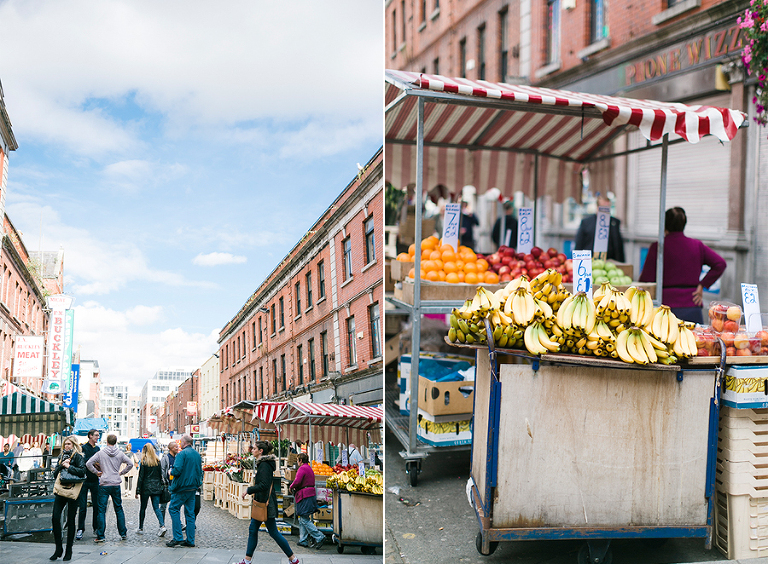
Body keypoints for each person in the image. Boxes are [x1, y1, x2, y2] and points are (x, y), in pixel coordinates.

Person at [639, 207, 726, 324]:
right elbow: (720, 264)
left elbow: (645, 280)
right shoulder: (697, 245)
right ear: (684, 224)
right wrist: (702, 285)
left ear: (664, 224)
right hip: (692, 306)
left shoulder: (658, 247)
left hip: (664, 308)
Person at [237, 441, 300, 564]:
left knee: (270, 531)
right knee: (256, 530)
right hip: (263, 502)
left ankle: (293, 558)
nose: (252, 450)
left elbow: (264, 485)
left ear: (261, 451)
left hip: (265, 503)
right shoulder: (264, 464)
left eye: (254, 448)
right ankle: (292, 559)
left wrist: (249, 490)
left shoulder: (265, 465)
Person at [86, 433, 133, 542]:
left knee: (101, 510)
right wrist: (121, 472)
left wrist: (97, 472)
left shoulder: (101, 453)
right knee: (119, 509)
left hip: (104, 483)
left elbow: (89, 463)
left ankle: (101, 535)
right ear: (115, 442)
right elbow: (130, 463)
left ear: (107, 441)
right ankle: (123, 533)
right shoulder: (120, 453)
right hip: (115, 483)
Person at [50, 437, 86, 561]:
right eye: (65, 444)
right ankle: (58, 548)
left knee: (70, 520)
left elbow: (82, 472)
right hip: (61, 491)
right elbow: (55, 474)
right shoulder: (61, 456)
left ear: (74, 445)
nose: (67, 446)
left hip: (72, 492)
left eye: (69, 444)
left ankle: (69, 550)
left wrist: (69, 466)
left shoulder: (78, 457)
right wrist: (62, 465)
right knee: (55, 518)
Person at [166, 434, 202, 548]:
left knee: (173, 509)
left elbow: (177, 470)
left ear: (185, 443)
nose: (180, 444)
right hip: (193, 487)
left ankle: (178, 538)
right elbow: (199, 471)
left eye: (181, 442)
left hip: (181, 487)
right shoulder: (197, 455)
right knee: (190, 513)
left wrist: (170, 472)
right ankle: (190, 540)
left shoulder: (182, 454)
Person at [574, 196, 625, 262]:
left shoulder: (615, 223)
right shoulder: (586, 222)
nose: (605, 210)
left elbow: (618, 246)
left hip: (610, 262)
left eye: (607, 207)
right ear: (597, 207)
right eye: (603, 207)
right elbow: (579, 244)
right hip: (589, 261)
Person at [290, 453, 324, 549]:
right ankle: (303, 540)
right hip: (310, 494)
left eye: (298, 460)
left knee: (304, 518)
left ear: (300, 460)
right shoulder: (309, 468)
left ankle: (319, 536)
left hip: (305, 495)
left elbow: (297, 481)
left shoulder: (302, 468)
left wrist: (291, 486)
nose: (297, 462)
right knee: (303, 517)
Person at [135, 444, 167, 537]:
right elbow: (161, 475)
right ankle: (162, 525)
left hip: (145, 488)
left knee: (143, 508)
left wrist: (137, 490)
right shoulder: (157, 461)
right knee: (156, 507)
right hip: (156, 487)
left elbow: (141, 477)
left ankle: (140, 528)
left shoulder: (144, 462)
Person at [76, 429, 101, 541]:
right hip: (84, 480)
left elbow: (99, 462)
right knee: (82, 507)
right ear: (90, 436)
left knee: (96, 505)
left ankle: (95, 528)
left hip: (95, 480)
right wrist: (94, 463)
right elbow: (83, 462)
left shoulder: (98, 449)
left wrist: (98, 465)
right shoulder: (83, 448)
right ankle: (80, 529)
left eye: (98, 435)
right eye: (96, 435)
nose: (97, 437)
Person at [159, 440, 180, 529]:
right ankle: (162, 525)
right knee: (163, 506)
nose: (177, 448)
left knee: (175, 507)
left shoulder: (178, 458)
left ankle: (178, 524)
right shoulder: (165, 458)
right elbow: (162, 470)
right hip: (167, 486)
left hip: (176, 486)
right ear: (171, 448)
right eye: (176, 447)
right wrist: (164, 481)